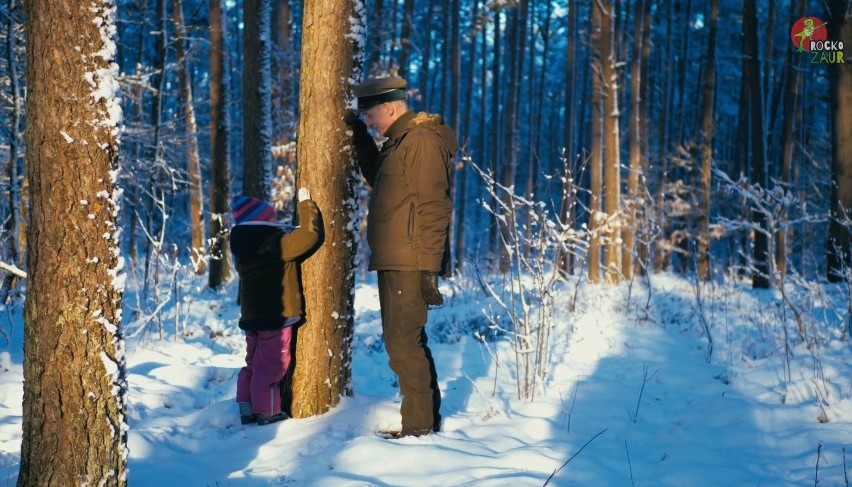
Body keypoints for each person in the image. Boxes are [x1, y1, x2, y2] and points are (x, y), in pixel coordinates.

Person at [345, 75, 458, 437]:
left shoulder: (420, 142)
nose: (370, 122)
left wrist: (428, 269)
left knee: (403, 343)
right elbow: (381, 180)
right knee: (405, 341)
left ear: (390, 108)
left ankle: (419, 428)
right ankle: (422, 421)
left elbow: (434, 207)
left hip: (410, 261)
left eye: (371, 117)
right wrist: (361, 139)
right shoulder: (399, 143)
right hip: (396, 258)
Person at [229, 189, 321, 425]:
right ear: (261, 223)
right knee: (271, 366)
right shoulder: (276, 244)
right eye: (270, 220)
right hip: (275, 316)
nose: (275, 223)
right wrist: (306, 205)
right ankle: (267, 411)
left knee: (253, 362)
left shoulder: (243, 248)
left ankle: (246, 405)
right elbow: (309, 236)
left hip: (252, 317)